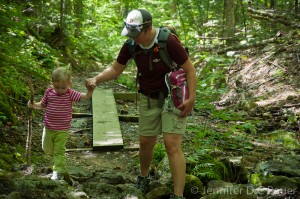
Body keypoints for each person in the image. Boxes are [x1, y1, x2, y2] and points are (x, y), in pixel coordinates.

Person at [85, 9, 196, 199]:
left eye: (136, 34)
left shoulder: (168, 41)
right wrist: (96, 79)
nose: (133, 38)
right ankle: (143, 177)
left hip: (174, 98)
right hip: (148, 97)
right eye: (131, 34)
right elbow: (115, 68)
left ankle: (178, 195)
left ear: (148, 28)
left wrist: (191, 98)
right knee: (146, 143)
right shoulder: (130, 45)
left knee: (172, 145)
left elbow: (190, 70)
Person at [28, 67, 94, 180]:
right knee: (46, 149)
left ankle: (58, 171)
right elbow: (42, 105)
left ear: (69, 84)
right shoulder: (49, 92)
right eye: (57, 87)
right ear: (52, 83)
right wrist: (33, 105)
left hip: (62, 130)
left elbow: (86, 97)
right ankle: (59, 161)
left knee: (59, 151)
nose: (60, 90)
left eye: (63, 87)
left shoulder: (70, 93)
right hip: (48, 127)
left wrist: (90, 90)